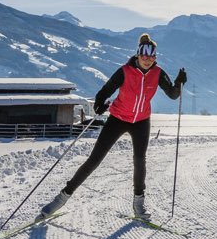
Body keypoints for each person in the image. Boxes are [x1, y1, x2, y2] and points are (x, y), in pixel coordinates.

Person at [40, 33, 185, 221]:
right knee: (95, 160)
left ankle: (138, 205)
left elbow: (173, 95)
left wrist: (180, 82)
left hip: (141, 121)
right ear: (138, 55)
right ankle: (62, 198)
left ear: (154, 58)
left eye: (151, 57)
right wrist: (99, 103)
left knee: (140, 160)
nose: (147, 60)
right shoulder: (125, 71)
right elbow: (106, 90)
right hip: (117, 118)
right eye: (144, 56)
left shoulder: (158, 73)